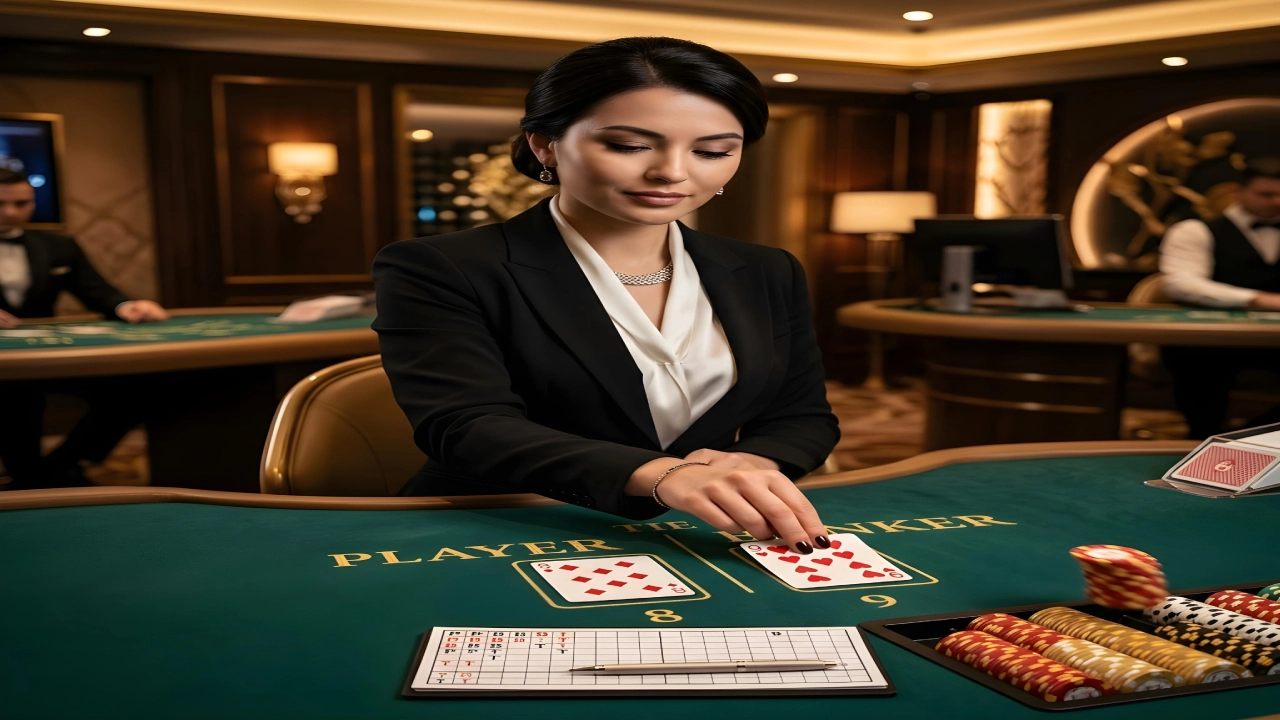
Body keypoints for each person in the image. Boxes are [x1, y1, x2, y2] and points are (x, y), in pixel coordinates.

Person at [374, 37, 839, 554]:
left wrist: (749, 464)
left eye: (712, 151)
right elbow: (466, 426)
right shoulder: (441, 266)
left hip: (697, 531)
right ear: (544, 144)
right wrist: (662, 474)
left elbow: (802, 418)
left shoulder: (767, 268)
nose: (673, 172)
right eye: (629, 146)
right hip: (504, 526)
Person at [0, 168, 169, 489]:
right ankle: (31, 480)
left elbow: (97, 291)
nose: (11, 212)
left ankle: (54, 470)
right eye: (1, 204)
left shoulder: (58, 246)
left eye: (21, 203)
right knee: (16, 407)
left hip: (45, 358)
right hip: (3, 369)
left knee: (135, 392)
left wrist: (127, 307)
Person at [1158, 156, 1280, 438]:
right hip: (1214, 339)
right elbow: (1181, 283)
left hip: (1274, 340)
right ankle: (1202, 441)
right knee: (1197, 362)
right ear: (1237, 192)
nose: (1276, 202)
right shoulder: (1195, 229)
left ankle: (1244, 438)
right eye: (1266, 194)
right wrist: (1259, 300)